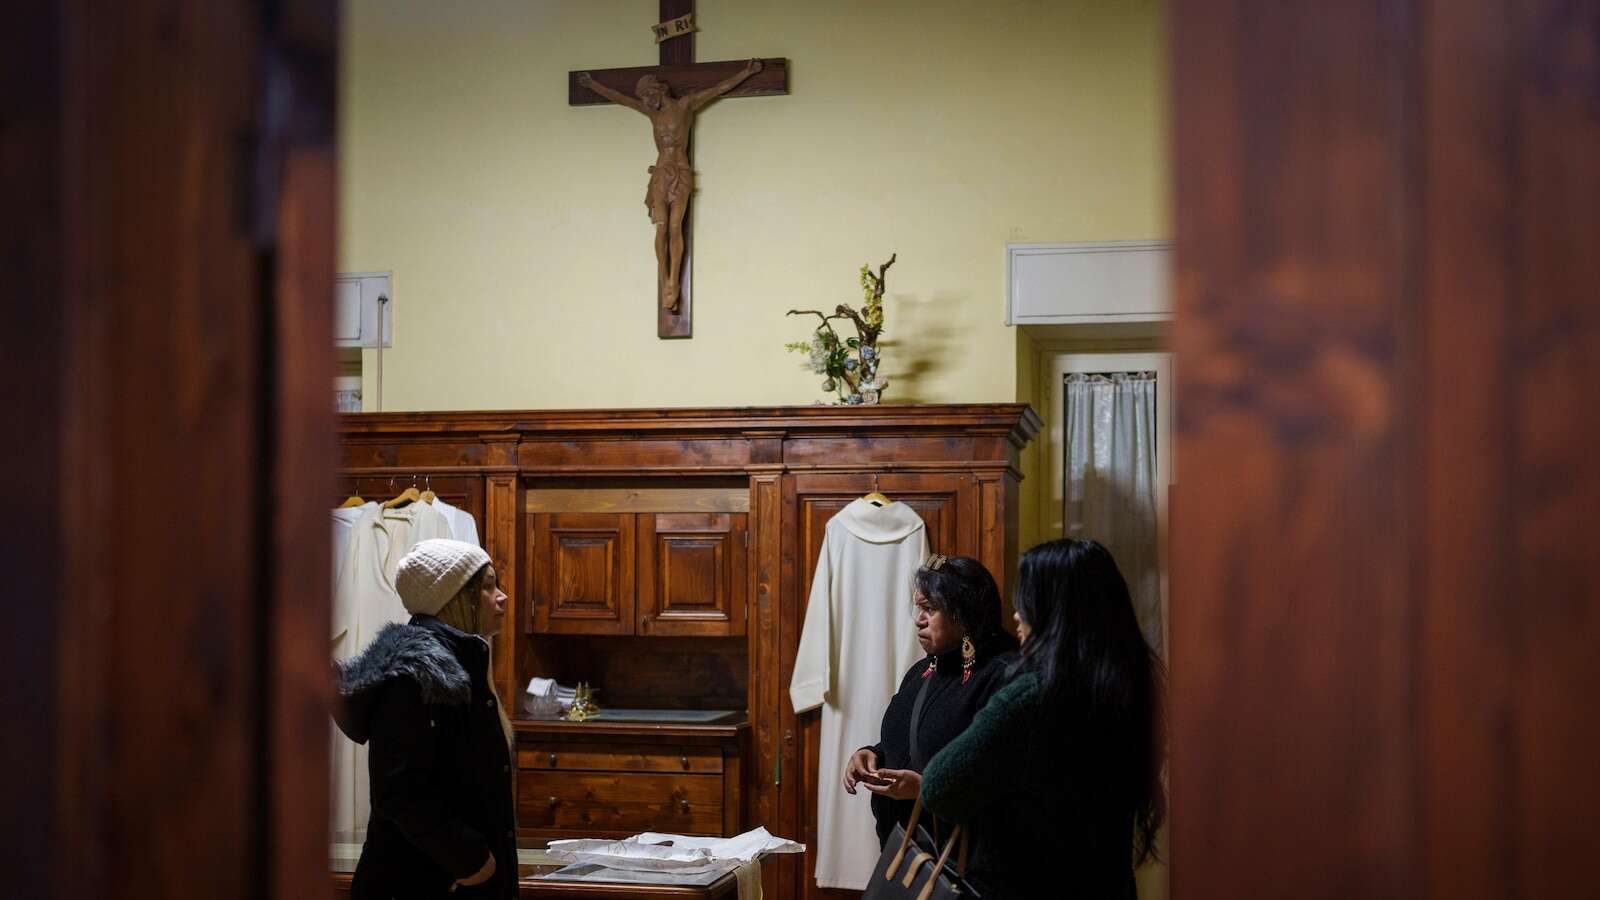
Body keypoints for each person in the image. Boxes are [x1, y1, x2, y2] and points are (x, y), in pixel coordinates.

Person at [919, 539, 1166, 899]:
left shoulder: (1030, 696)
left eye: (1028, 599)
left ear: (1054, 610)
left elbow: (938, 789)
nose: (1018, 613)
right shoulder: (1131, 685)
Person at [333, 539, 517, 899]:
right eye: (487, 586)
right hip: (420, 882)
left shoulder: (460, 663)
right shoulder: (416, 674)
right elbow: (400, 791)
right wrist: (471, 857)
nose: (502, 597)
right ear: (452, 598)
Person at [842, 554, 1020, 848]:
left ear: (964, 615)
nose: (918, 619)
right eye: (917, 607)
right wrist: (872, 754)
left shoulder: (1001, 676)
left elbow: (998, 778)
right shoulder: (924, 669)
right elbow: (910, 741)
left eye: (929, 609)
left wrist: (924, 789)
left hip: (957, 860)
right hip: (905, 852)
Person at [575, 59, 764, 312]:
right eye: (642, 97)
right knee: (661, 228)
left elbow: (719, 88)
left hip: (681, 172)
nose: (644, 101)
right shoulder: (650, 112)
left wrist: (747, 72)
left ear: (659, 90)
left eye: (647, 95)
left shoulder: (685, 105)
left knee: (676, 226)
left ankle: (674, 280)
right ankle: (664, 279)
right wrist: (592, 84)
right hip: (661, 173)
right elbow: (620, 98)